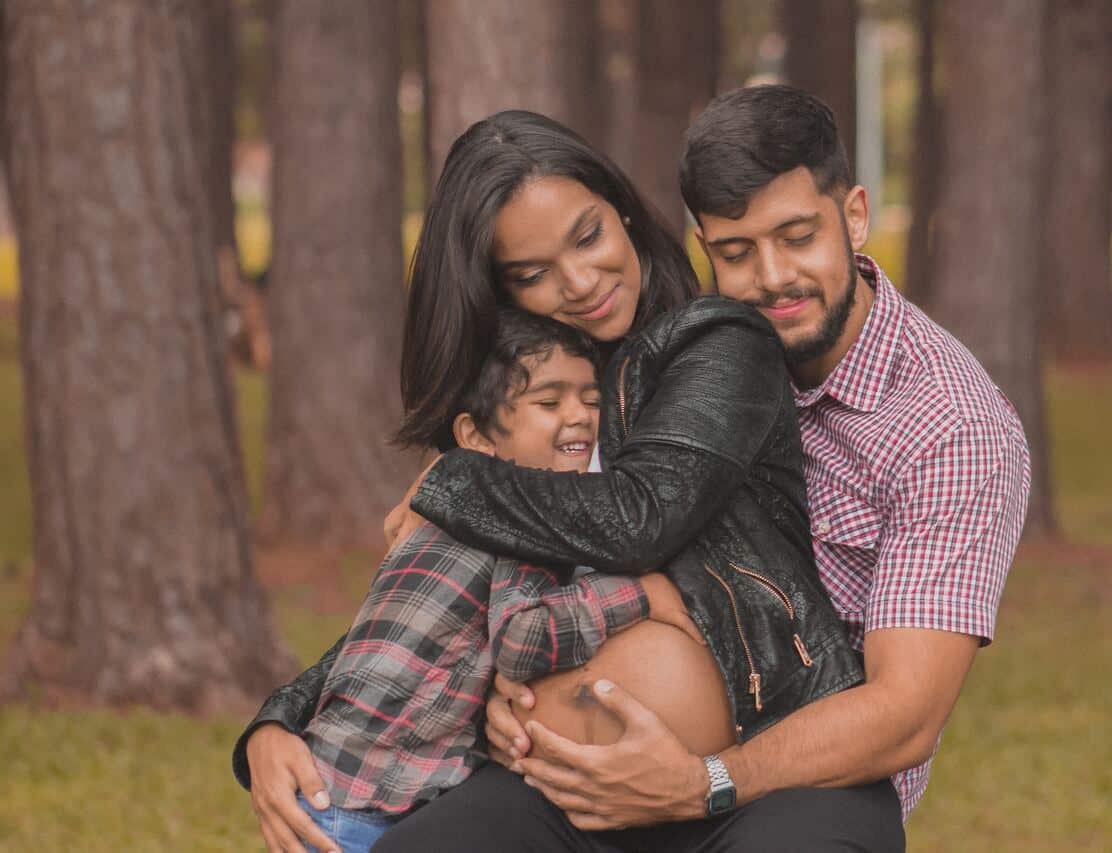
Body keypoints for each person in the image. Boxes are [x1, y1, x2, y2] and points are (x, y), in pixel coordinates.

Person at [247, 85, 1031, 852]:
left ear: (854, 215)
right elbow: (453, 575)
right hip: (573, 779)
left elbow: (905, 712)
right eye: (735, 251)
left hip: (796, 782)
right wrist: (287, 710)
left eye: (799, 237)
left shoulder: (947, 423)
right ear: (702, 244)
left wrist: (703, 780)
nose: (770, 277)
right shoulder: (624, 357)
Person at [282, 309, 702, 852]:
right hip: (368, 808)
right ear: (475, 437)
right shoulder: (520, 516)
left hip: (333, 786)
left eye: (591, 400)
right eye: (549, 403)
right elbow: (522, 640)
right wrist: (644, 595)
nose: (578, 417)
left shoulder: (440, 511)